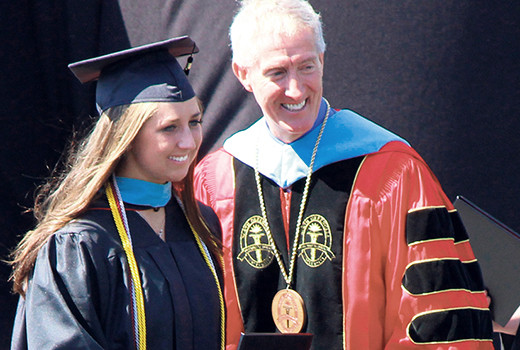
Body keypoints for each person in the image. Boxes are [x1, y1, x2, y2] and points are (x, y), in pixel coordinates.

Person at [194, 0, 493, 349]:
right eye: (277, 73)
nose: (295, 89)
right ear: (243, 74)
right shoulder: (215, 180)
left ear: (322, 60)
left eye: (307, 66)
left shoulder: (392, 171)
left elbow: (434, 316)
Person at [9, 36, 225, 350]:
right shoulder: (79, 244)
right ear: (128, 135)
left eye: (194, 122)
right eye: (169, 128)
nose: (189, 142)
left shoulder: (199, 224)